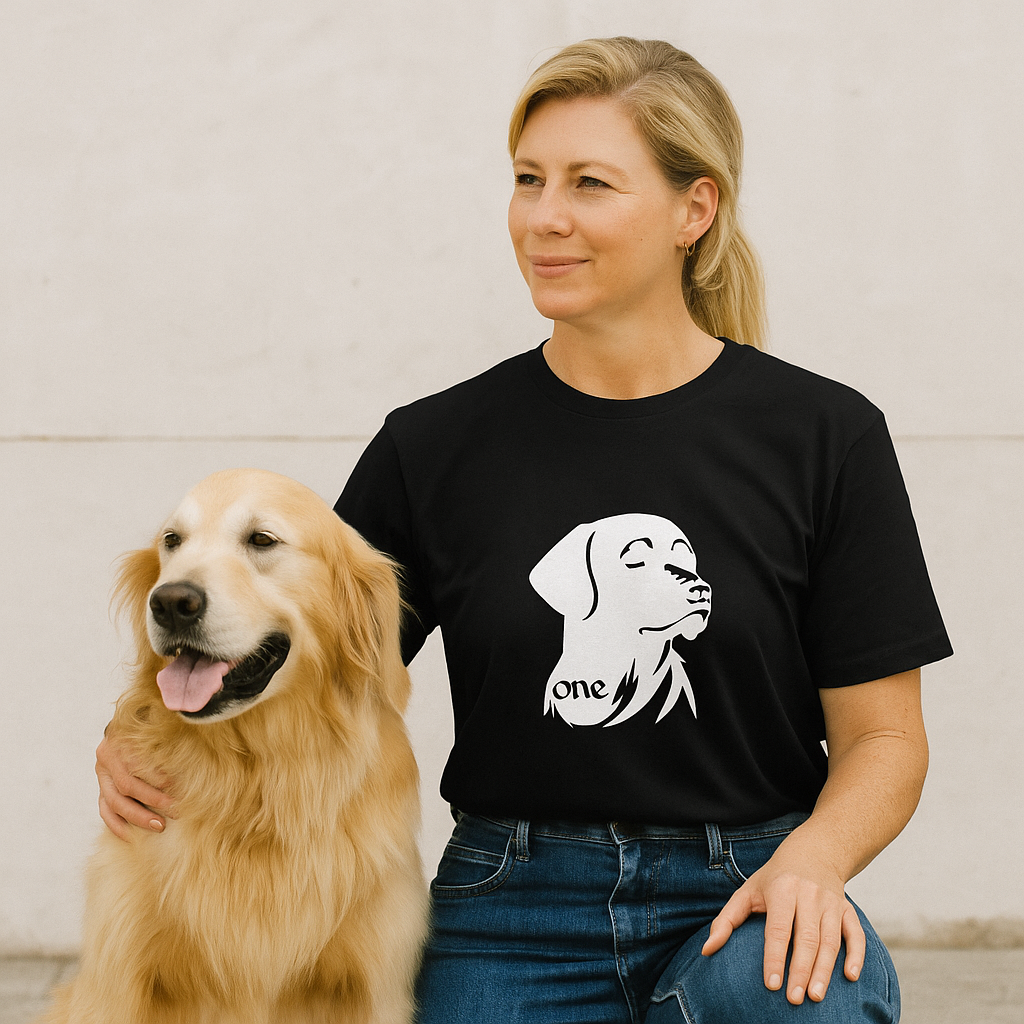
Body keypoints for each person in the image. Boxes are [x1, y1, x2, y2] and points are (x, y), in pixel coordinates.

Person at [96, 36, 952, 1023]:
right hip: (508, 905)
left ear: (694, 208)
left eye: (590, 184)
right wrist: (134, 734)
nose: (545, 218)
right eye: (528, 180)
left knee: (796, 1005)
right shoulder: (434, 446)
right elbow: (290, 643)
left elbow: (884, 735)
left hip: (746, 885)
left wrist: (813, 862)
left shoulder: (823, 436)